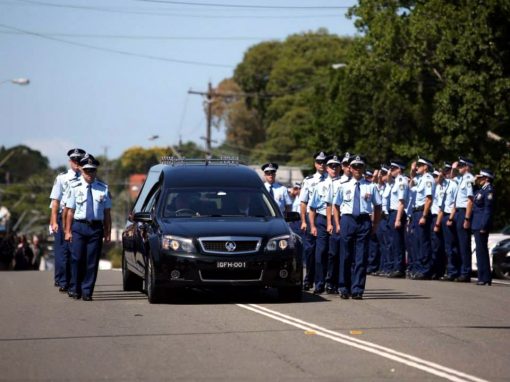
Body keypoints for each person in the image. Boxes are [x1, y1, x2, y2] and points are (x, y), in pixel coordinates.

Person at [333, 155, 381, 300]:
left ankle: (357, 289)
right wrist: (337, 223)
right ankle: (343, 287)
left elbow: (378, 206)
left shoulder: (371, 186)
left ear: (363, 168)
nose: (357, 169)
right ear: (350, 168)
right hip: (347, 220)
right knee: (346, 255)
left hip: (364, 220)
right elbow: (335, 205)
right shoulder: (344, 186)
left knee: (361, 257)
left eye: (360, 166)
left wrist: (375, 224)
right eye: (355, 166)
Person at [65, 154, 112, 301]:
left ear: (96, 171)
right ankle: (75, 287)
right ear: (82, 171)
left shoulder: (102, 188)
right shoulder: (74, 187)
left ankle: (87, 291)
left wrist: (107, 231)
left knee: (92, 261)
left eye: (92, 171)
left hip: (95, 228)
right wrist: (67, 231)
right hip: (79, 226)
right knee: (77, 258)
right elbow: (70, 211)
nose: (90, 174)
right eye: (87, 171)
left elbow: (107, 212)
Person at [49, 148, 85, 291]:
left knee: (76, 251)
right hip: (62, 215)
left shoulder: (86, 176)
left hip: (79, 216)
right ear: (70, 161)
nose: (77, 163)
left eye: (79, 160)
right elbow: (55, 201)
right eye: (74, 161)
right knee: (63, 251)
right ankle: (62, 280)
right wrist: (53, 221)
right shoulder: (62, 178)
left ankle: (73, 280)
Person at [308, 154, 341, 294]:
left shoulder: (344, 184)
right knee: (320, 252)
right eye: (331, 166)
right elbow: (312, 207)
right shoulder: (320, 185)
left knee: (334, 252)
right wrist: (312, 225)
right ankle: (319, 282)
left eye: (336, 166)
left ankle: (331, 283)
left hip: (338, 219)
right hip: (321, 219)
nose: (334, 168)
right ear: (327, 168)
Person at [299, 151, 327, 291]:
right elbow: (303, 202)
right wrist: (304, 221)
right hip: (311, 218)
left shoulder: (332, 179)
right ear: (315, 164)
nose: (322, 164)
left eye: (324, 162)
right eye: (319, 162)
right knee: (310, 251)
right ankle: (309, 278)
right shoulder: (309, 180)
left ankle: (320, 281)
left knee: (321, 252)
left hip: (324, 217)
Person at [447, 157, 475, 282]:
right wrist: (453, 168)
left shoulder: (469, 179)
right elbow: (452, 178)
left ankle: (465, 272)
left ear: (468, 166)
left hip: (464, 212)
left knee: (464, 244)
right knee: (457, 243)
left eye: (462, 166)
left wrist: (467, 218)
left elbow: (470, 200)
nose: (460, 168)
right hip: (458, 212)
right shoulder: (460, 179)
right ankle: (459, 271)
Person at [409, 156, 436, 280]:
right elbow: (410, 185)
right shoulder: (419, 179)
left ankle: (425, 270)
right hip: (415, 212)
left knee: (423, 242)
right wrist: (412, 170)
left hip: (422, 212)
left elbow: (428, 199)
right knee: (417, 242)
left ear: (426, 167)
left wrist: (424, 215)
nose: (417, 167)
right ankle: (419, 268)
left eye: (419, 165)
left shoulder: (428, 179)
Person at [472, 169, 495, 286]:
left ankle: (485, 277)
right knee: (480, 251)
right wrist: (474, 181)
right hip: (476, 223)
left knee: (482, 251)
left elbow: (488, 210)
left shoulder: (489, 190)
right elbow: (473, 193)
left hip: (481, 224)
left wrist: (484, 225)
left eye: (481, 178)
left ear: (486, 178)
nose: (479, 179)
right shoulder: (481, 190)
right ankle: (482, 277)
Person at [387, 159, 409, 278]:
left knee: (398, 242)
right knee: (393, 242)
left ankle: (399, 268)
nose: (390, 171)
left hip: (397, 213)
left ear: (399, 169)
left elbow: (401, 202)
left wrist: (398, 219)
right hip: (393, 213)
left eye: (393, 169)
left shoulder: (401, 181)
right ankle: (395, 266)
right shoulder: (395, 181)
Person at [437, 165, 459, 281]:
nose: (445, 174)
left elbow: (456, 202)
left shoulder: (454, 185)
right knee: (447, 246)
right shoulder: (445, 184)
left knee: (451, 245)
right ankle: (449, 270)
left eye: (446, 172)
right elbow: (439, 181)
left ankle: (453, 271)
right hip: (444, 215)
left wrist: (450, 218)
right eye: (444, 172)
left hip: (450, 215)